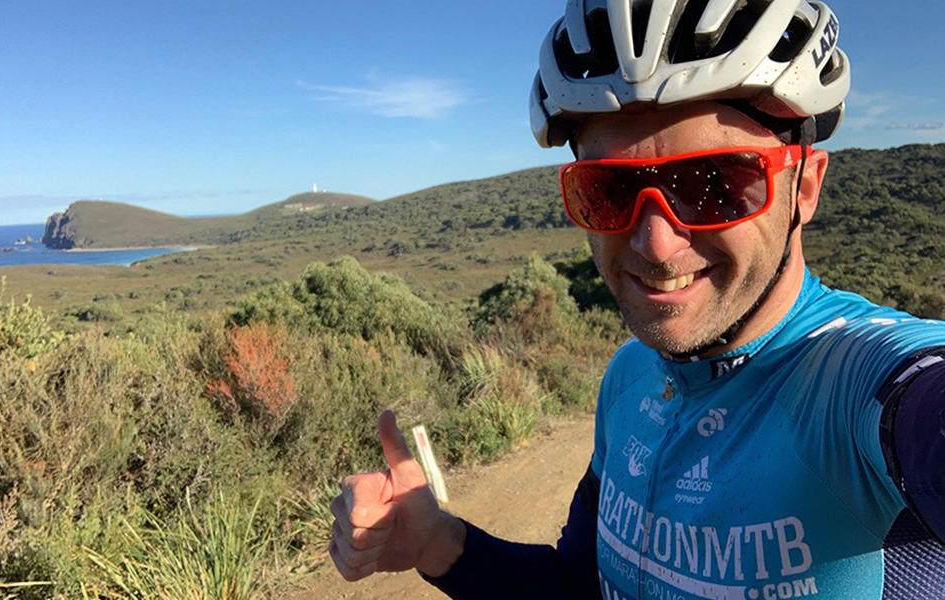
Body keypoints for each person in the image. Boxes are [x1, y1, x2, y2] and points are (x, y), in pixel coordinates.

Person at [328, 1, 945, 598]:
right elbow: (582, 585)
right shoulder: (629, 377)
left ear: (804, 188)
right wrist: (441, 546)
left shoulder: (863, 382)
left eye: (717, 184)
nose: (656, 242)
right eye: (608, 189)